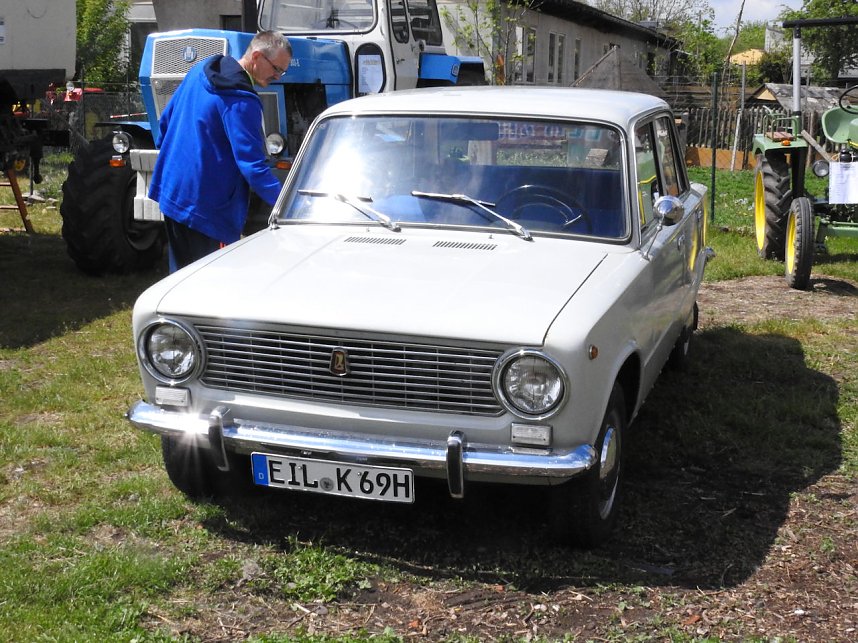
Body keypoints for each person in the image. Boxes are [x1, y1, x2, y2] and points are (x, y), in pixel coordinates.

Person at [149, 31, 292, 272]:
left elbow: (164, 124)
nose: (278, 76)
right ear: (256, 56)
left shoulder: (199, 70)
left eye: (282, 71)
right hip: (208, 210)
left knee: (180, 280)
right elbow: (253, 167)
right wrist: (287, 205)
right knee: (210, 286)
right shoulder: (241, 101)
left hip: (173, 193)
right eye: (277, 68)